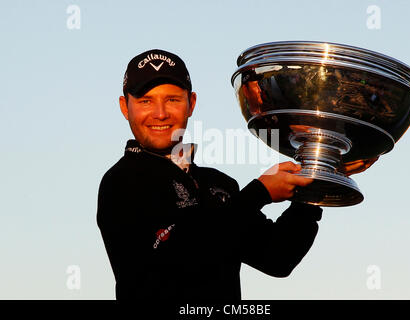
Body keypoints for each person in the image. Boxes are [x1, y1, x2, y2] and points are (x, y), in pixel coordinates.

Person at [97, 49, 348, 301]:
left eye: (172, 99)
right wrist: (259, 193)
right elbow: (177, 262)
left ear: (191, 103)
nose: (160, 113)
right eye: (145, 101)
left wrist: (313, 181)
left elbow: (277, 258)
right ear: (124, 107)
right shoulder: (121, 183)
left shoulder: (218, 185)